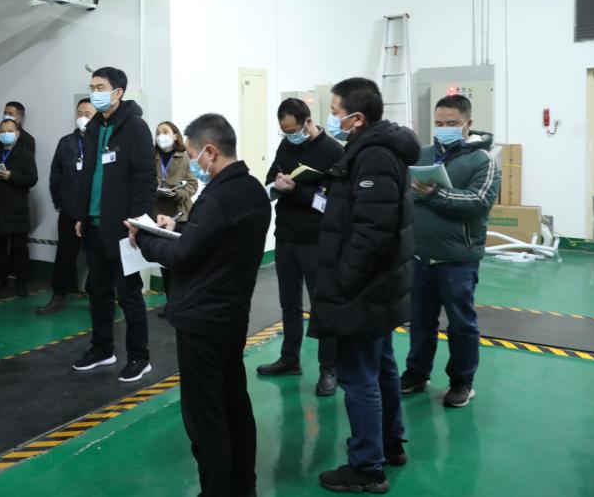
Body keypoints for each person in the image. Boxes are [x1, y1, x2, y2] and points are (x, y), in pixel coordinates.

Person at [129, 113, 270, 497]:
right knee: (234, 402)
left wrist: (145, 238)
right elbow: (211, 239)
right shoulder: (251, 190)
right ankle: (243, 485)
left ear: (210, 151)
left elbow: (184, 256)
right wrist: (176, 227)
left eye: (192, 155)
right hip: (232, 315)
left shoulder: (218, 197)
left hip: (202, 319)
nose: (192, 162)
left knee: (205, 417)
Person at [312, 78, 419, 493]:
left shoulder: (373, 156)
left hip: (364, 288)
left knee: (358, 378)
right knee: (381, 367)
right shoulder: (371, 149)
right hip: (379, 286)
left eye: (335, 111)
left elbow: (372, 230)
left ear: (356, 119)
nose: (331, 118)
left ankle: (367, 467)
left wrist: (345, 280)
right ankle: (390, 444)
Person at [400, 94, 500, 408]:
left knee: (461, 324)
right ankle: (417, 373)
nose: (444, 129)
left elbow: (478, 202)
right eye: (439, 123)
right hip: (420, 257)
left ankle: (462, 382)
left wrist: (435, 194)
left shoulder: (482, 160)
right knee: (420, 321)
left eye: (451, 124)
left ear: (468, 124)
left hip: (458, 260)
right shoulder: (422, 155)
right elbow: (404, 194)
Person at [73, 67, 156, 383]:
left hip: (124, 228)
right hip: (94, 225)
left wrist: (137, 221)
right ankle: (102, 348)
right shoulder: (95, 126)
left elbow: (145, 178)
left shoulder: (135, 127)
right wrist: (82, 215)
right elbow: (88, 175)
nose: (94, 92)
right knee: (98, 292)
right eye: (92, 86)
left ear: (118, 92)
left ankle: (139, 357)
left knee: (129, 295)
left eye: (101, 87)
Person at [256, 98, 344, 396]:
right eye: (284, 131)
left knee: (323, 305)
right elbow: (270, 178)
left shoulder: (334, 152)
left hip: (317, 241)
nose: (289, 136)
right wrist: (276, 183)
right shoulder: (286, 146)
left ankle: (329, 369)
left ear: (308, 122)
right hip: (286, 237)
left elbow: (332, 203)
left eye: (293, 130)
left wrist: (298, 191)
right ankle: (289, 358)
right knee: (289, 303)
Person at [39, 98, 97, 315]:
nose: (82, 117)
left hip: (94, 212)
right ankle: (59, 296)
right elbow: (56, 173)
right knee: (65, 255)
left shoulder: (102, 141)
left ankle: (96, 296)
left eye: (88, 114)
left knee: (97, 257)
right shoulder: (66, 142)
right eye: (79, 113)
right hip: (70, 210)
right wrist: (58, 201)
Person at [0, 119, 39, 297]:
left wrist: (11, 176)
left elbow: (32, 179)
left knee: (19, 248)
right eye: (2, 131)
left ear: (17, 133)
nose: (6, 134)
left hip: (17, 208)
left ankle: (22, 282)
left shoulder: (25, 154)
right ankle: (0, 279)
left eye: (10, 131)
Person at [151, 120, 198, 317]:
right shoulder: (151, 157)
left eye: (165, 131)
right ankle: (171, 303)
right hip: (159, 216)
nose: (161, 136)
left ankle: (185, 303)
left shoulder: (184, 157)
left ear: (175, 136)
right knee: (165, 263)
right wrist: (154, 191)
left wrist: (178, 193)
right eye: (158, 132)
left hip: (180, 215)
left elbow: (193, 185)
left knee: (181, 262)